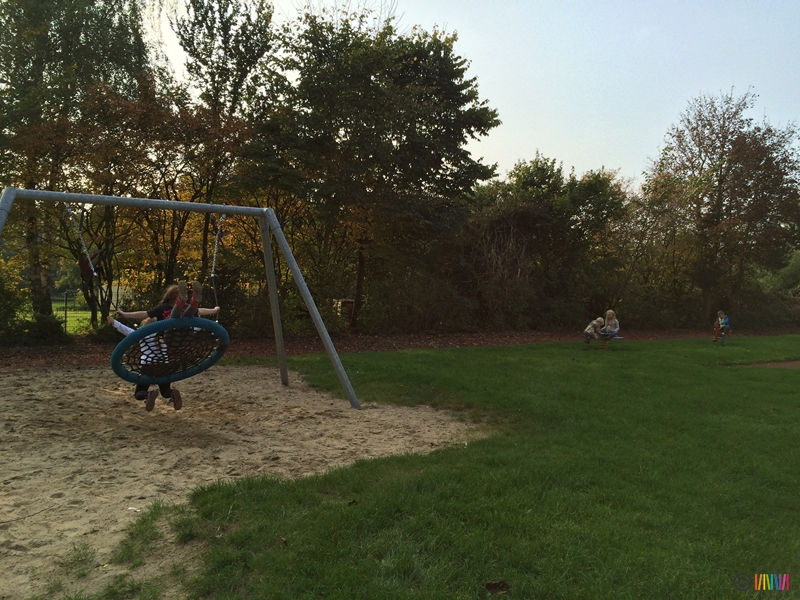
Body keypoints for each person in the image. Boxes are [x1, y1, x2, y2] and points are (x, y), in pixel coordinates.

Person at [106, 314, 182, 411]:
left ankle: (148, 394)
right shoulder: (163, 337)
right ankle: (172, 393)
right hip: (164, 367)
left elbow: (126, 331)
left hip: (148, 367)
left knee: (139, 393)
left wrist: (114, 322)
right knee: (165, 392)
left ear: (144, 328)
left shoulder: (142, 335)